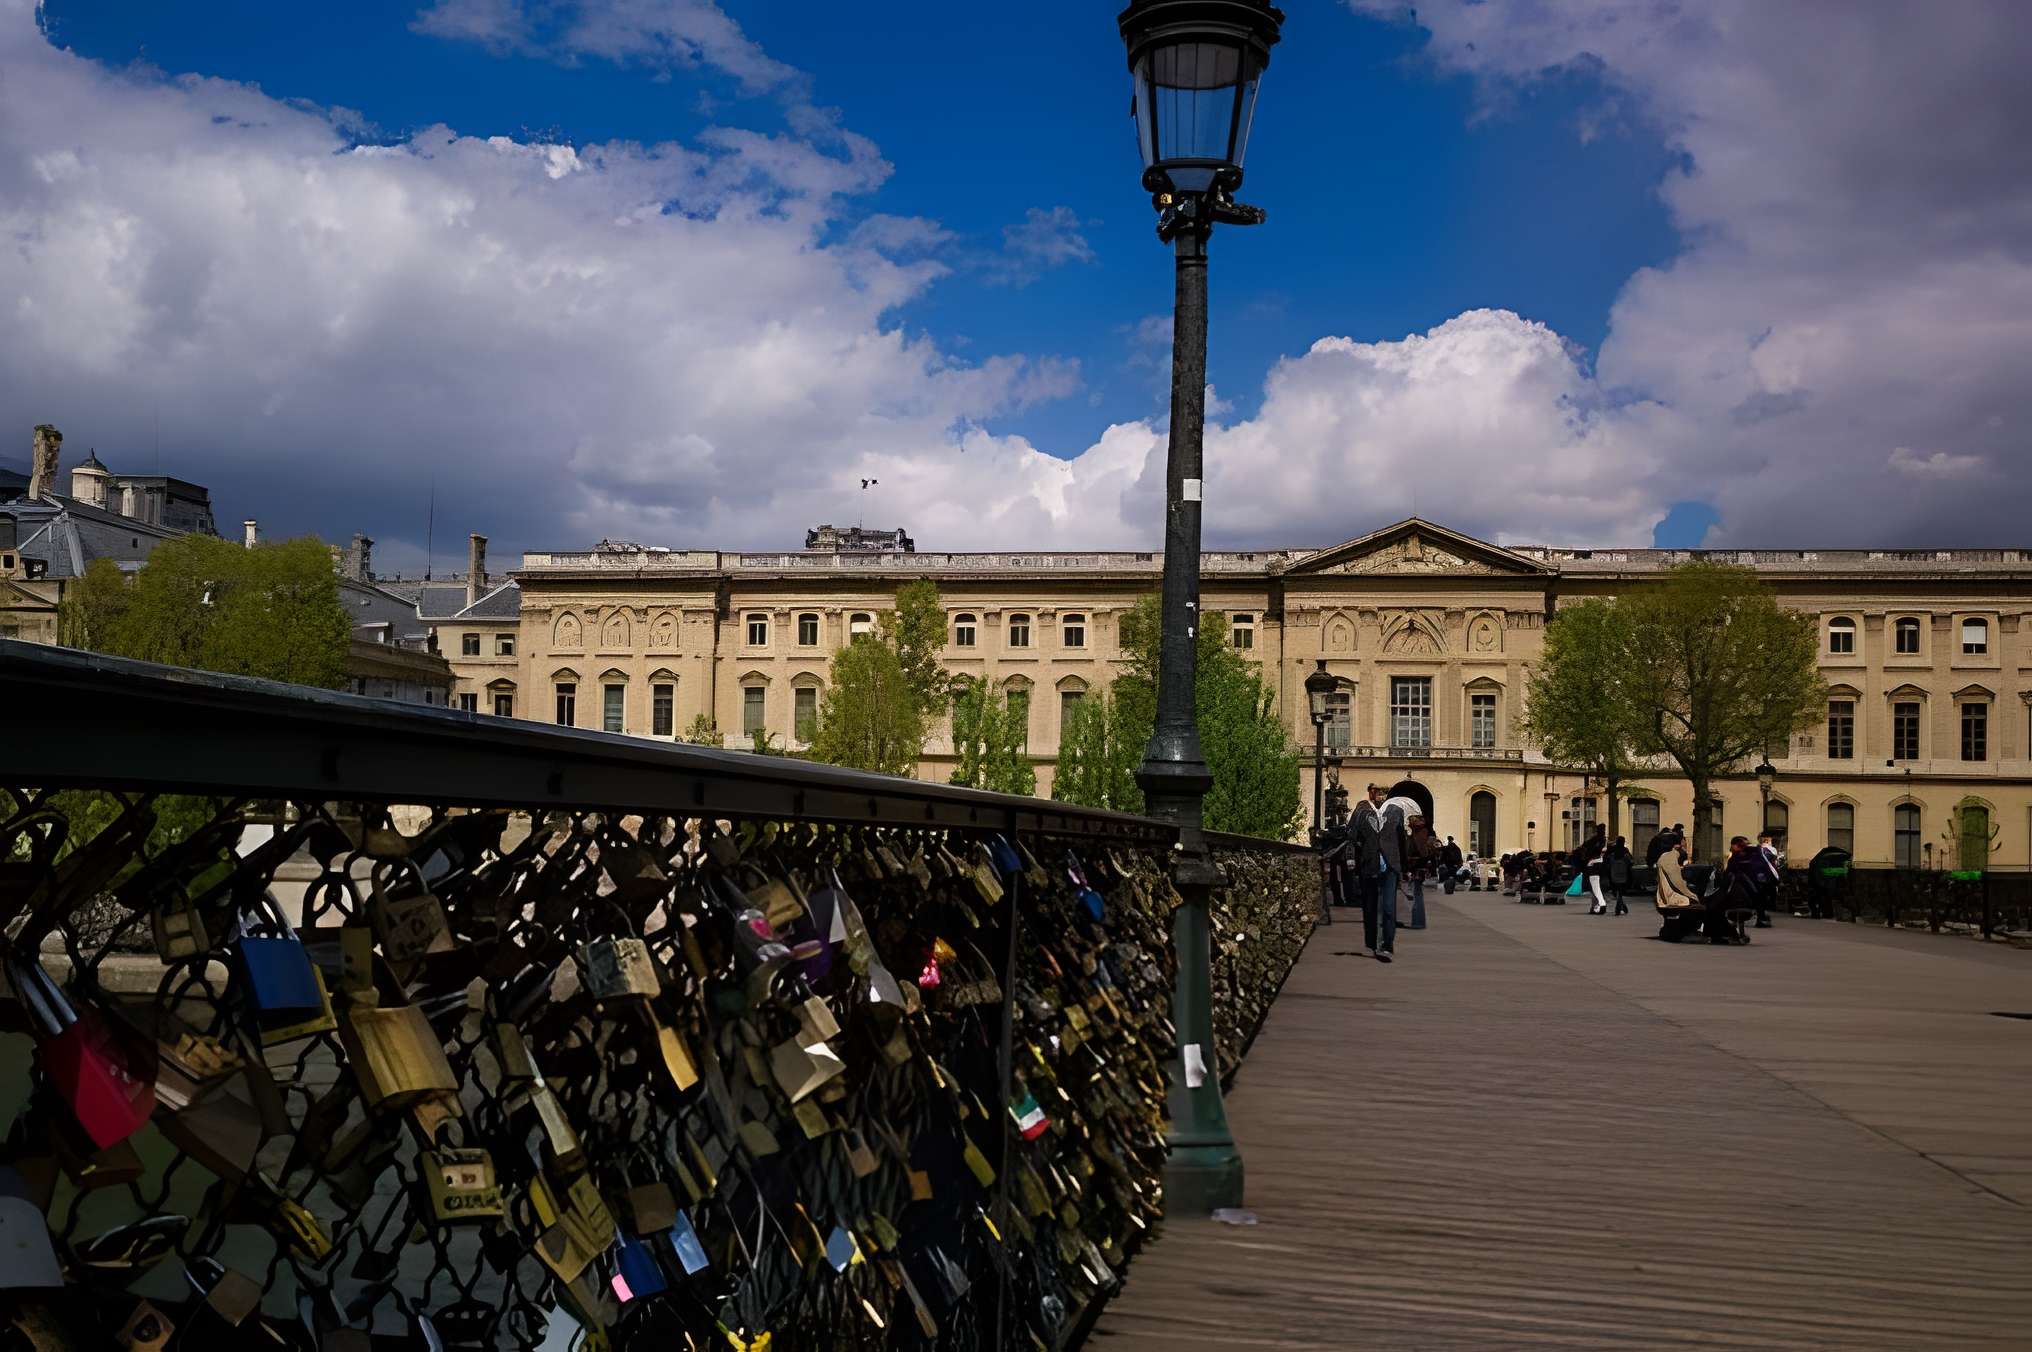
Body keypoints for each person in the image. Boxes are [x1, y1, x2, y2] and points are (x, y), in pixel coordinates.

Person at [1351, 784, 1405, 963]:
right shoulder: (1361, 811)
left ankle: (1387, 944)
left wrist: (1402, 868)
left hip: (1390, 866)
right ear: (1371, 793)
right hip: (1370, 863)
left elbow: (1401, 839)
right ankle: (1372, 944)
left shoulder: (1396, 811)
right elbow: (1352, 835)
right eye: (1378, 792)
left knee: (1389, 907)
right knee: (1370, 907)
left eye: (1384, 792)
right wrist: (1365, 848)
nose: (1381, 795)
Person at [1656, 833, 1698, 931]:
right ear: (1676, 845)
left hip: (1666, 894)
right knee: (1695, 900)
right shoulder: (1670, 857)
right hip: (1671, 895)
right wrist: (1691, 895)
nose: (1685, 846)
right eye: (1683, 843)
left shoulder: (1666, 857)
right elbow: (1676, 882)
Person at [1403, 815, 1436, 930]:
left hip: (1418, 867)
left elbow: (1421, 851)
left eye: (1410, 821)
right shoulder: (1425, 832)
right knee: (1417, 894)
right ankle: (1418, 921)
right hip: (1421, 867)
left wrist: (1411, 858)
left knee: (1417, 894)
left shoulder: (1419, 833)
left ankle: (1418, 922)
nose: (1408, 823)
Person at [1805, 843, 1850, 920]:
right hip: (1824, 886)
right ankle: (1826, 913)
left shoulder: (1816, 862)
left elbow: (1815, 877)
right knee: (1825, 900)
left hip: (1820, 886)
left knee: (1819, 900)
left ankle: (1819, 913)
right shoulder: (1839, 866)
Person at [1572, 826, 1610, 915]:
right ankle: (1598, 905)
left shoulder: (1594, 840)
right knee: (1597, 888)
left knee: (1596, 888)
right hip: (1600, 863)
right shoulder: (1603, 840)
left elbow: (1585, 847)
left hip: (1592, 864)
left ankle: (1601, 904)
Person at [1754, 829, 1784, 927]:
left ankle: (1761, 915)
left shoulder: (1757, 849)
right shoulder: (1771, 850)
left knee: (1760, 898)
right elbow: (1774, 865)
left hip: (1758, 877)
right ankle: (1762, 916)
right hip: (1767, 877)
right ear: (1767, 840)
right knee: (1765, 897)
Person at [1603, 835, 1634, 916]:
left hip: (1613, 872)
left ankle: (1621, 905)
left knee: (1617, 889)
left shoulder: (1612, 850)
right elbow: (1631, 861)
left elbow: (1606, 859)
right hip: (1623, 873)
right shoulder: (1625, 850)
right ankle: (1620, 905)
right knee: (1620, 890)